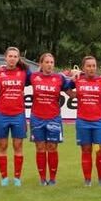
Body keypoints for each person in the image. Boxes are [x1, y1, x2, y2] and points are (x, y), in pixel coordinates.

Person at [67, 56, 101, 186]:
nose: (91, 68)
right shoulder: (78, 80)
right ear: (83, 68)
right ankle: (87, 180)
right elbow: (65, 87)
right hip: (83, 122)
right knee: (86, 150)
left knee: (100, 151)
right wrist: (74, 94)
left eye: (93, 66)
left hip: (99, 122)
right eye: (88, 66)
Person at [29, 53, 72, 185]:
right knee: (40, 148)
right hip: (37, 117)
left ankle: (52, 179)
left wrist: (80, 79)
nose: (49, 65)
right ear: (41, 64)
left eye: (51, 62)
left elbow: (71, 92)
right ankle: (42, 179)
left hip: (53, 118)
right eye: (47, 62)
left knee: (52, 148)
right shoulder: (33, 77)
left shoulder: (59, 78)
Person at [0, 47, 32, 187]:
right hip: (1, 114)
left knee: (18, 146)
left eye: (15, 56)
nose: (12, 58)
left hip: (18, 114)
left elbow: (42, 77)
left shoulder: (24, 72)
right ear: (5, 57)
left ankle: (17, 178)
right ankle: (4, 177)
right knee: (2, 146)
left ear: (18, 58)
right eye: (10, 56)